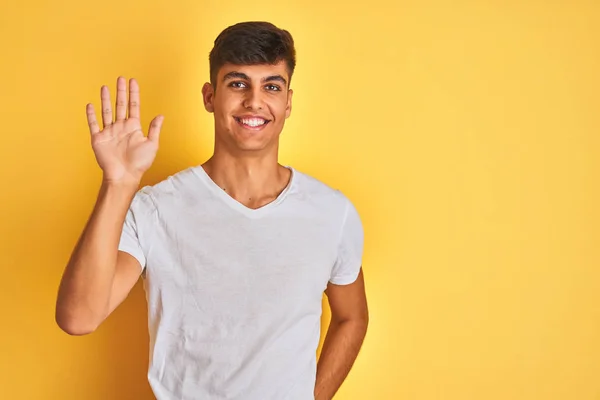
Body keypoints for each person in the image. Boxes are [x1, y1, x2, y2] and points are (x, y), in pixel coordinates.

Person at [55, 21, 369, 400]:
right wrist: (118, 183)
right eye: (237, 83)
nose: (254, 101)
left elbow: (352, 317)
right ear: (209, 97)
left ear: (288, 102)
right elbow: (78, 317)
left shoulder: (331, 213)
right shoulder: (156, 208)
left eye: (271, 86)